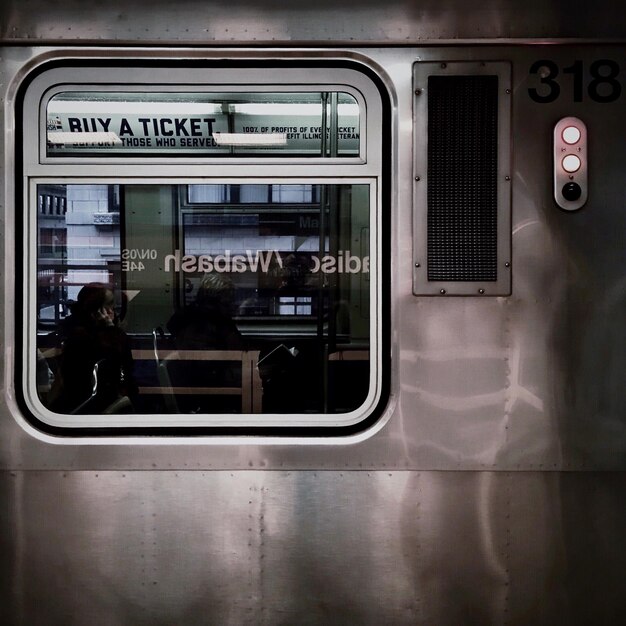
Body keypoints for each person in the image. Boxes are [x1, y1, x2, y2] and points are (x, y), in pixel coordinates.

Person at [49, 283, 136, 414]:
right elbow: (123, 365)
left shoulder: (85, 333)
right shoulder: (83, 339)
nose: (113, 310)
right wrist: (111, 329)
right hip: (89, 403)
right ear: (96, 311)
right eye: (109, 305)